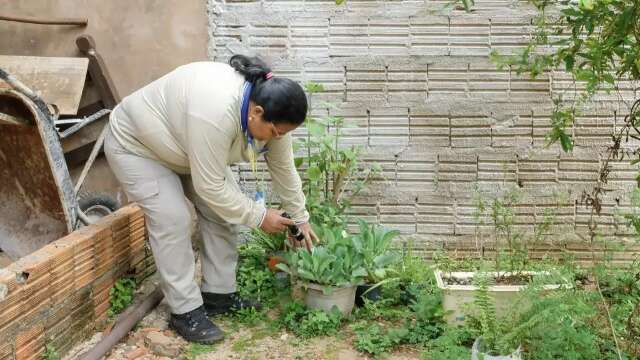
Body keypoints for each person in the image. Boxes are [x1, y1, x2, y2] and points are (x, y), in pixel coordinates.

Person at [104, 55, 319, 343]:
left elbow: (284, 169)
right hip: (138, 147)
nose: (278, 139)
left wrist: (301, 218)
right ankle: (185, 312)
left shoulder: (274, 118)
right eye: (275, 133)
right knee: (173, 219)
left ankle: (219, 295)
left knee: (224, 212)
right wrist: (258, 216)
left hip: (184, 149)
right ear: (256, 112)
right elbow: (211, 187)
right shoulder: (216, 112)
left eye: (283, 134)